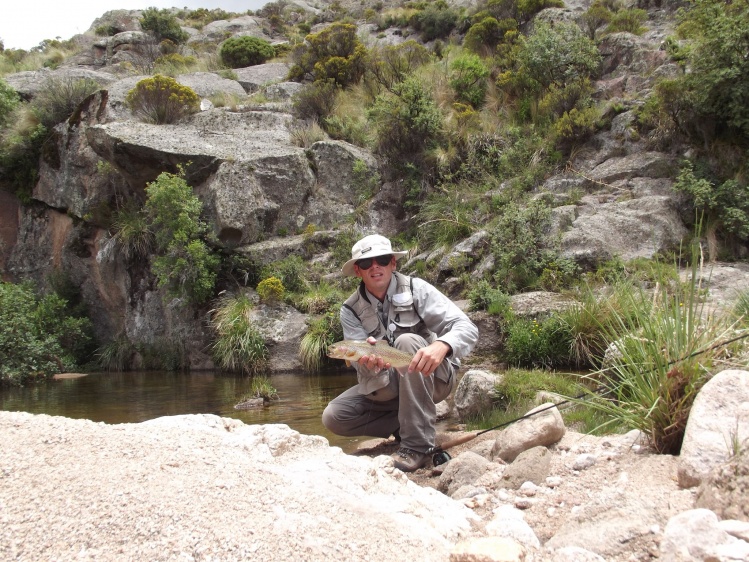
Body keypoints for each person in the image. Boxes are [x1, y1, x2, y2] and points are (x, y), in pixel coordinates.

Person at [322, 234, 478, 472]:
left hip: (433, 377)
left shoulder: (417, 289)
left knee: (407, 341)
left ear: (393, 263)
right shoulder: (350, 310)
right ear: (357, 270)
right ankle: (406, 426)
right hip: (387, 384)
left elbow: (466, 327)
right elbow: (359, 365)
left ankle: (417, 446)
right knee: (334, 416)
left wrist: (442, 345)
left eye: (382, 260)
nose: (375, 267)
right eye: (366, 263)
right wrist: (368, 364)